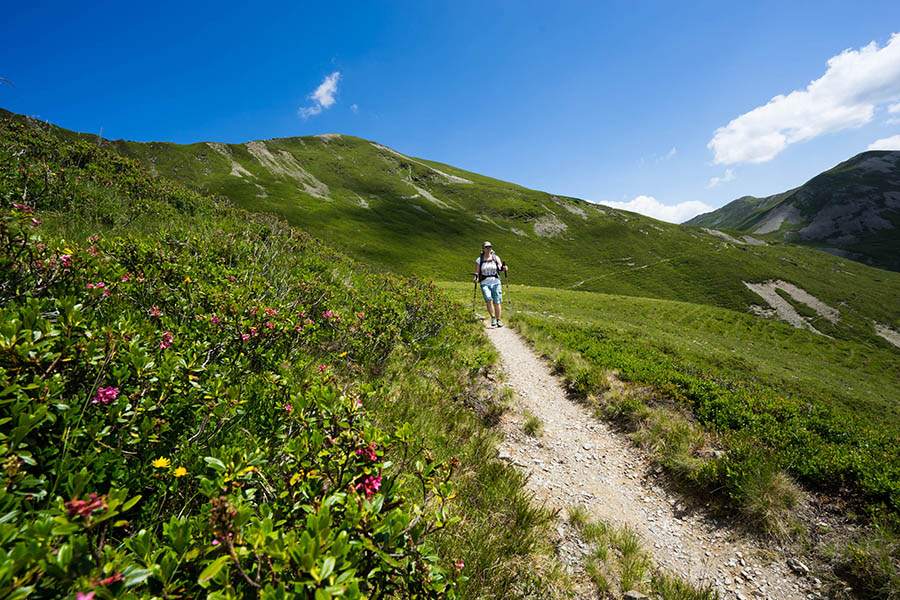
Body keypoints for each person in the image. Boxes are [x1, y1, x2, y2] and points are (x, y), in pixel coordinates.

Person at [473, 241, 508, 327]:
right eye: (487, 247)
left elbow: (500, 268)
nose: (488, 248)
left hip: (496, 282)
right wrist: (476, 278)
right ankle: (493, 317)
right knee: (488, 299)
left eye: (490, 247)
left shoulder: (496, 258)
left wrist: (504, 268)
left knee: (497, 301)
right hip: (485, 282)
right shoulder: (479, 260)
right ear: (483, 249)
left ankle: (498, 319)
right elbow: (477, 272)